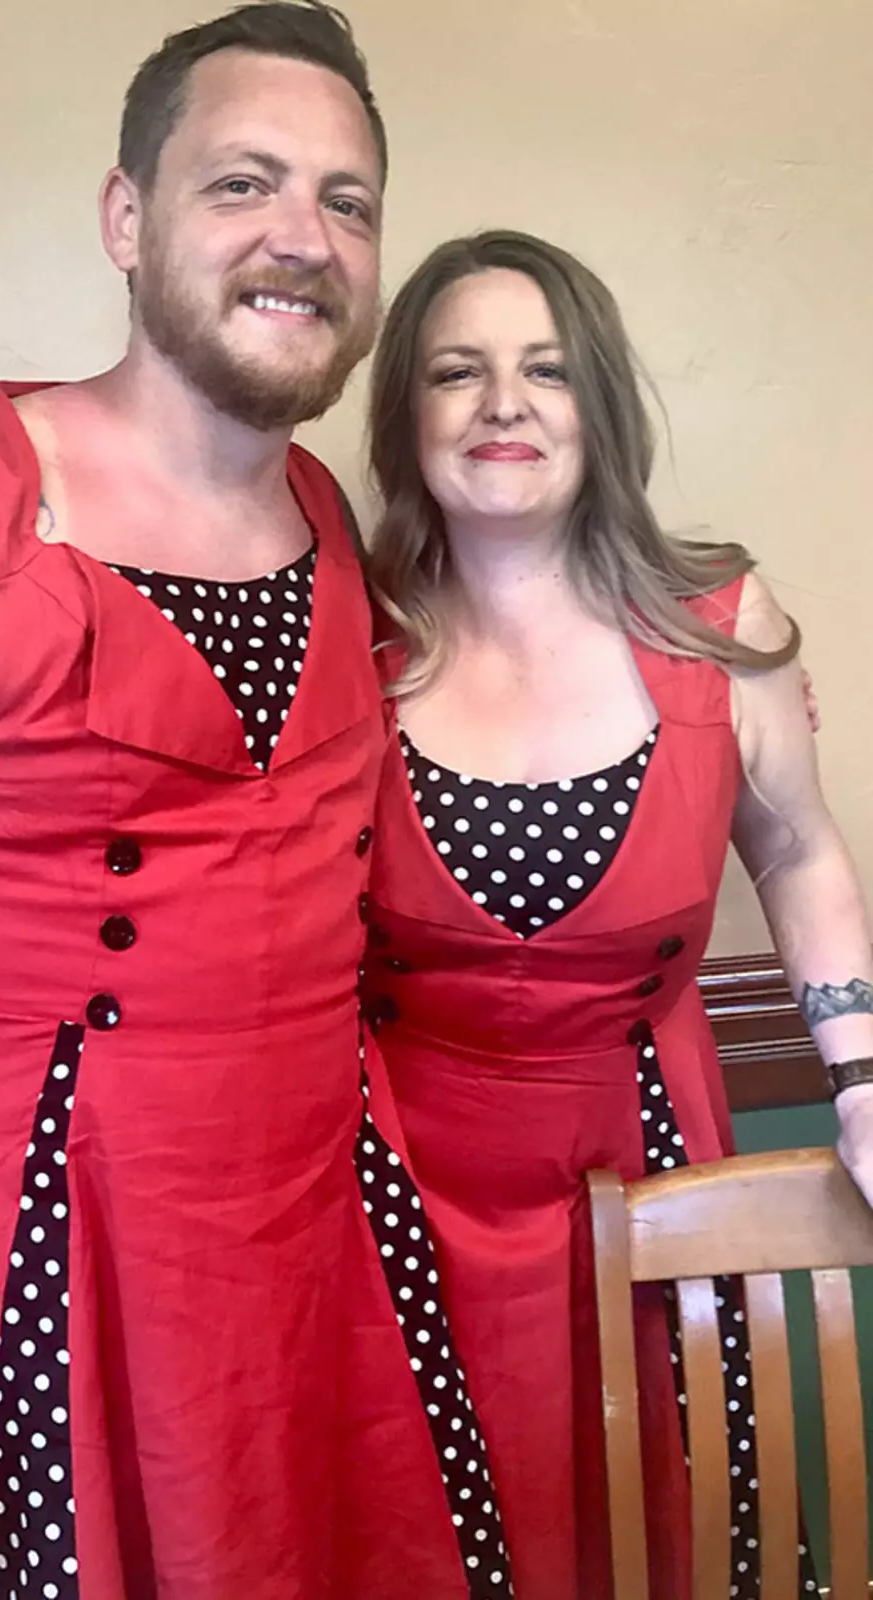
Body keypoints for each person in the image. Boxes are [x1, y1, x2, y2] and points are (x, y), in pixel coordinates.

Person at [0, 7, 484, 1597]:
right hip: (7, 1259)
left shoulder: (329, 517)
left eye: (345, 200)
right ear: (126, 218)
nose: (301, 235)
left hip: (309, 1259)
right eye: (242, 182)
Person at [357, 228, 873, 1600]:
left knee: (665, 1524)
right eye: (457, 372)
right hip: (391, 1187)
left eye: (547, 369)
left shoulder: (719, 621)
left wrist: (864, 1083)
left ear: (600, 404)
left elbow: (800, 852)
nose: (505, 403)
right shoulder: (345, 633)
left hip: (649, 1158)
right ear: (406, 417)